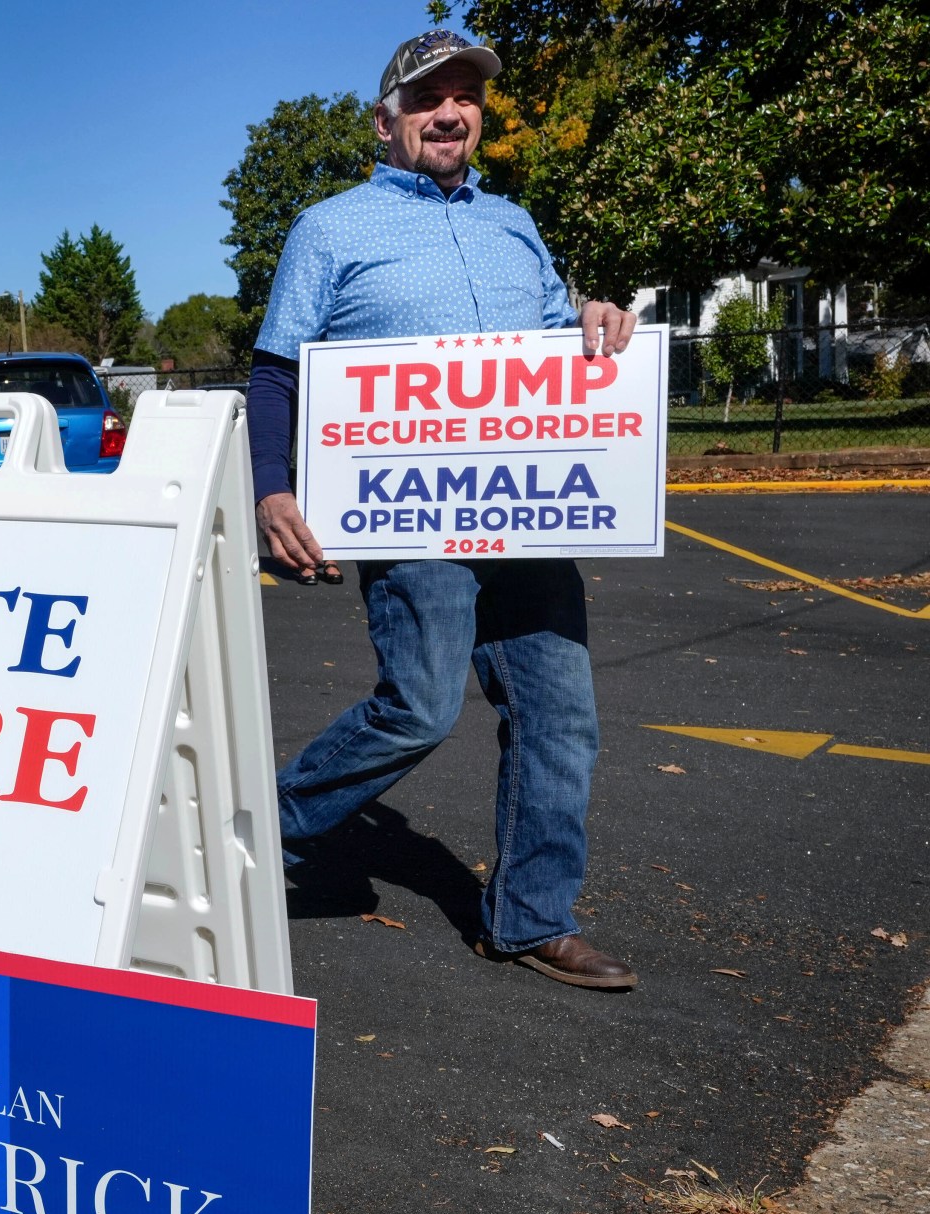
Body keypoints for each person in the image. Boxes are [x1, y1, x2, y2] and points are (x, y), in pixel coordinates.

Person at [250, 28, 640, 991]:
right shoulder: (330, 228)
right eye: (429, 98)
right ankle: (255, 835)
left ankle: (534, 919)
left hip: (530, 507)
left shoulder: (516, 224)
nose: (451, 111)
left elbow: (555, 347)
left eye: (466, 96)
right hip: (410, 513)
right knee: (419, 709)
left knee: (560, 713)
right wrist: (272, 488)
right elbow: (275, 370)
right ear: (387, 121)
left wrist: (592, 317)